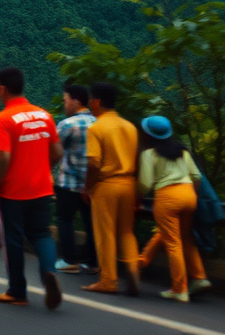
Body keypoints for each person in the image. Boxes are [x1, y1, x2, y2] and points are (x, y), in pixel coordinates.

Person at [0, 67, 64, 309]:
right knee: (41, 234)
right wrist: (42, 168)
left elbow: (4, 158)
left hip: (14, 192)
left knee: (13, 241)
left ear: (2, 89)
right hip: (42, 189)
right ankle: (49, 272)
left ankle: (17, 292)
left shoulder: (3, 119)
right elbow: (58, 152)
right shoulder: (44, 115)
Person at [137, 115, 211, 302]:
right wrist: (192, 196)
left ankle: (179, 289)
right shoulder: (182, 151)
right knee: (186, 237)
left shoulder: (149, 154)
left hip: (167, 197)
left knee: (172, 243)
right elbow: (196, 176)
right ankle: (199, 277)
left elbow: (145, 184)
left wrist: (137, 197)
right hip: (189, 195)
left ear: (147, 134)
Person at [81, 81, 141, 297]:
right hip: (129, 183)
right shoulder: (130, 127)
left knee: (105, 233)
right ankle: (133, 269)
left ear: (97, 102)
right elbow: (138, 159)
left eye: (91, 99)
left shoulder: (96, 128)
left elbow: (93, 164)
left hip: (107, 185)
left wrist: (87, 188)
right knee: (126, 231)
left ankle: (108, 281)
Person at [54, 84, 98, 274]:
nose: (65, 105)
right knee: (91, 224)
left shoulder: (67, 125)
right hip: (92, 184)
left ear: (76, 101)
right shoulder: (99, 123)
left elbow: (54, 151)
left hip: (69, 183)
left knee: (65, 220)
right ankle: (92, 262)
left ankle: (69, 260)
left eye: (65, 101)